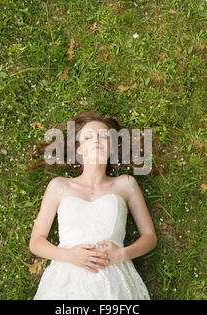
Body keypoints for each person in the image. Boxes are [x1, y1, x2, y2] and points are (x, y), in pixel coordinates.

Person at [29, 110, 157, 299]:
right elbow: (36, 242)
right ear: (79, 149)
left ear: (111, 147)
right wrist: (69, 256)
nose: (97, 140)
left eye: (104, 137)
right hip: (66, 279)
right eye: (88, 137)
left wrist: (122, 254)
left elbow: (150, 237)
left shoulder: (126, 184)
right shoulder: (59, 186)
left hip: (114, 276)